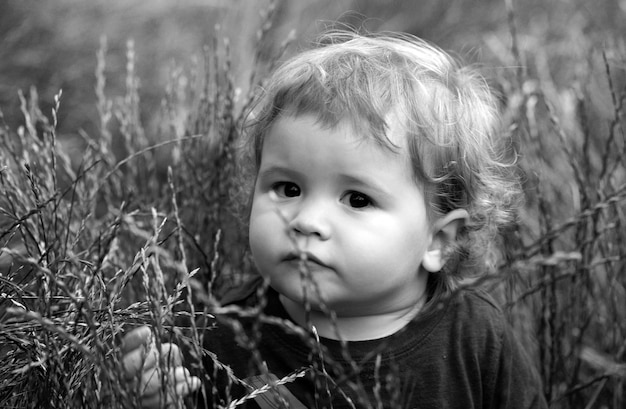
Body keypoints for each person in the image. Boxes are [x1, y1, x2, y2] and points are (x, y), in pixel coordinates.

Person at [121, 30, 548, 408]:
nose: (306, 221)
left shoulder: (474, 339)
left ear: (438, 240)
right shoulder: (221, 337)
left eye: (357, 199)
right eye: (288, 189)